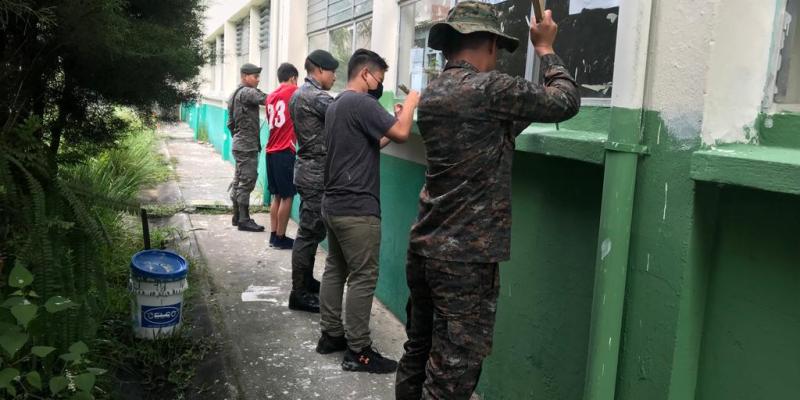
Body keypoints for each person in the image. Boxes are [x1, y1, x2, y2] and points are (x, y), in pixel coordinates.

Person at [395, 2, 580, 399]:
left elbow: (499, 128)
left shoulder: (433, 94)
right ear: (491, 45)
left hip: (425, 247)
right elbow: (565, 100)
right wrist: (545, 49)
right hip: (464, 258)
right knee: (453, 372)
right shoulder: (490, 90)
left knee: (420, 349)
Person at [315, 49, 420, 374]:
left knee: (335, 268)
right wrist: (412, 105)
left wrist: (395, 117)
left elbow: (373, 144)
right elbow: (402, 133)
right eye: (379, 79)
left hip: (333, 206)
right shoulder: (361, 103)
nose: (380, 86)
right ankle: (358, 350)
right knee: (363, 277)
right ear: (365, 74)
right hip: (357, 210)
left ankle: (331, 335)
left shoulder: (337, 104)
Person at [287, 50, 339, 313]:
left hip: (308, 170)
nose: (334, 77)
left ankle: (306, 282)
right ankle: (299, 293)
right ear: (319, 70)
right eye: (331, 72)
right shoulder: (314, 95)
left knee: (312, 231)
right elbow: (341, 112)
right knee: (308, 233)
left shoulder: (299, 93)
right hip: (315, 173)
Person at [228, 63, 269, 232]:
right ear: (245, 76)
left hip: (240, 143)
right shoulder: (246, 92)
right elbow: (268, 99)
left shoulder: (234, 94)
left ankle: (237, 216)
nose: (258, 80)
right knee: (247, 181)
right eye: (255, 76)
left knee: (239, 181)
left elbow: (230, 123)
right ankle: (244, 219)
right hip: (246, 146)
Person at [265, 63, 300, 250]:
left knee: (276, 196)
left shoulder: (270, 96)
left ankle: (273, 235)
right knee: (288, 196)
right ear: (293, 78)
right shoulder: (294, 91)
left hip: (270, 151)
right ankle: (281, 237)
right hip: (285, 150)